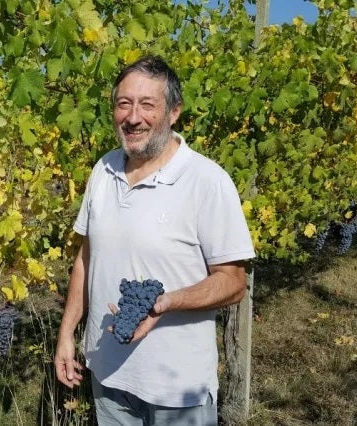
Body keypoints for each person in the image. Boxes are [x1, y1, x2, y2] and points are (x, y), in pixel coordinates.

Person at [54, 55, 255, 426]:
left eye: (148, 104)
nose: (133, 117)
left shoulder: (206, 181)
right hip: (109, 377)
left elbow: (234, 282)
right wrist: (67, 334)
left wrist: (165, 303)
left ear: (173, 112)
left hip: (176, 389)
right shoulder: (103, 170)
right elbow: (86, 258)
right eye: (123, 103)